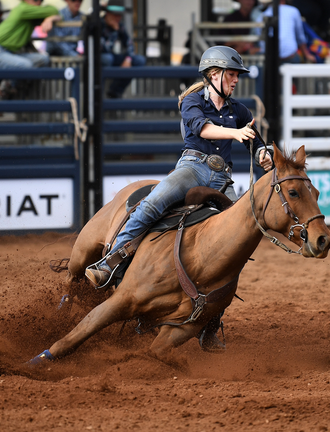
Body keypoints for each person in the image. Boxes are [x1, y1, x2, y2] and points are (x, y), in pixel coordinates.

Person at [85, 46, 274, 351]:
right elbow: (202, 129)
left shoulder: (240, 111)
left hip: (222, 177)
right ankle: (111, 261)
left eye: (237, 75)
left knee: (236, 243)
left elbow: (257, 144)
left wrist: (264, 154)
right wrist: (234, 133)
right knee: (152, 204)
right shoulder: (192, 102)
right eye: (232, 74)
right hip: (193, 168)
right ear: (214, 75)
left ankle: (210, 324)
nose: (236, 80)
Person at [0, 0, 61, 98]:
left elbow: (58, 14)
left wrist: (50, 18)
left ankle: (9, 89)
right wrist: (52, 16)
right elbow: (54, 10)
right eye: (35, 0)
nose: (38, 2)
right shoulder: (23, 9)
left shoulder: (29, 12)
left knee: (43, 59)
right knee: (26, 65)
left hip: (9, 53)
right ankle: (4, 89)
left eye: (41, 0)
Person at [100, 0, 147, 98]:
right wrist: (114, 31)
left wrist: (128, 59)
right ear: (107, 14)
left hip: (112, 57)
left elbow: (129, 44)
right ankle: (100, 94)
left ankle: (115, 90)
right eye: (115, 15)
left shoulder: (120, 26)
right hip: (100, 59)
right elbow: (103, 48)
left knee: (139, 60)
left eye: (119, 15)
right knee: (107, 58)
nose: (117, 18)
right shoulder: (99, 25)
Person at [255, 0, 317, 64]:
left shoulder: (261, 16)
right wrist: (307, 55)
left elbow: (261, 43)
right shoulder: (293, 11)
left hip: (275, 59)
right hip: (278, 59)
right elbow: (300, 38)